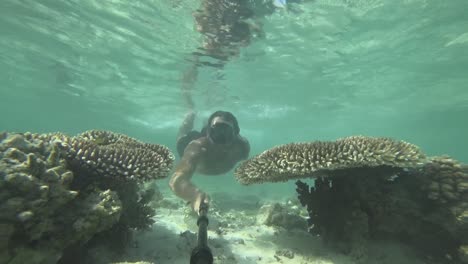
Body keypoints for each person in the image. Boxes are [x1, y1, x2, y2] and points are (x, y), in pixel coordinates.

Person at [169, 110, 250, 213]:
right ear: (208, 132)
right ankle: (190, 113)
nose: (221, 139)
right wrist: (194, 195)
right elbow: (175, 181)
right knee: (182, 136)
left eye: (227, 133)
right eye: (215, 132)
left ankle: (206, 122)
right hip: (189, 145)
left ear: (235, 135)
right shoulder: (197, 147)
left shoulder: (242, 147)